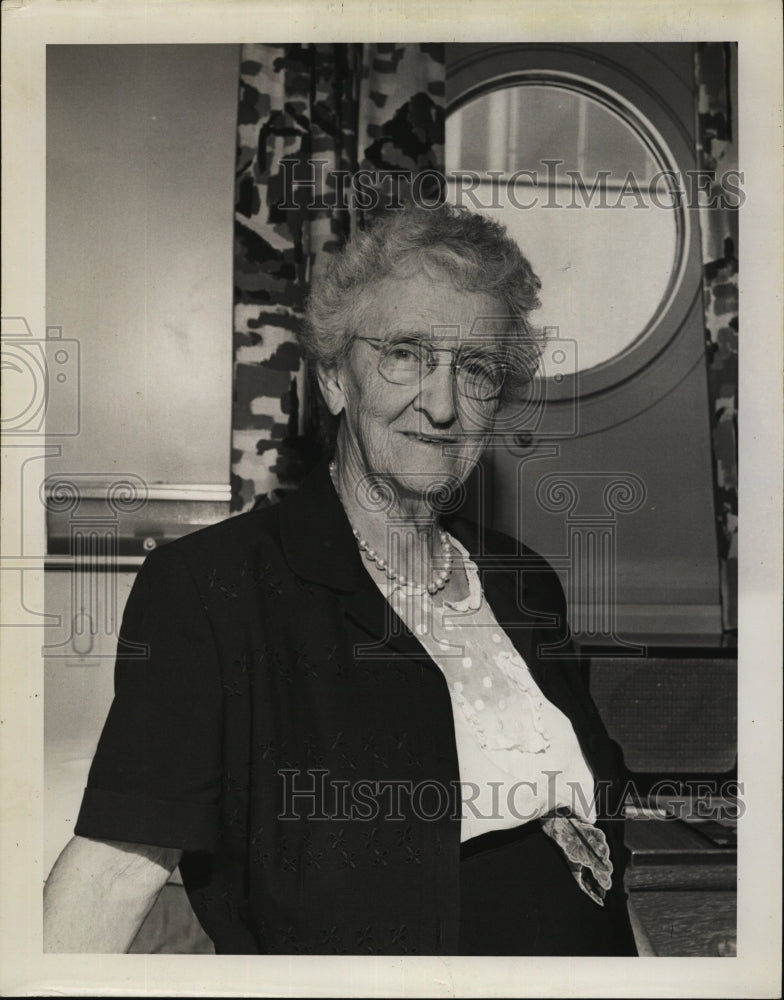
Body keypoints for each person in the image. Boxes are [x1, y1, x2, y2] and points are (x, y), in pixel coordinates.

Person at [44, 203, 639, 955]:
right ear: (333, 378)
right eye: (405, 354)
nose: (443, 404)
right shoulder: (217, 589)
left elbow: (604, 868)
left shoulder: (526, 585)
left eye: (476, 369)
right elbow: (114, 873)